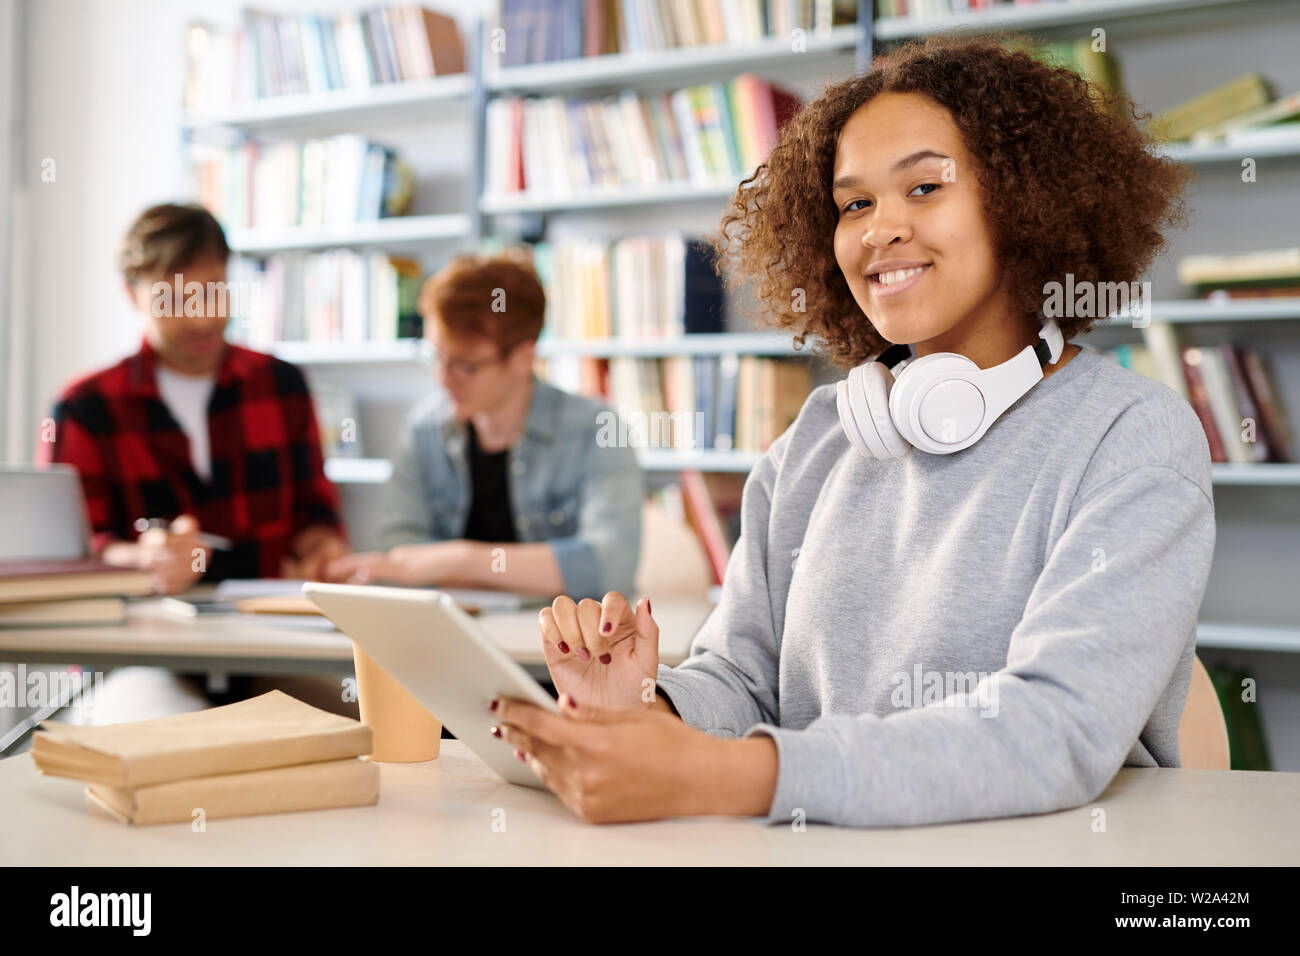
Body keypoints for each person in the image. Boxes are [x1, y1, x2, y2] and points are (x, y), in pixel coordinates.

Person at [489, 34, 1216, 827]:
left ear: (1024, 204)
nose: (878, 231)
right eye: (854, 204)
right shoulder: (820, 438)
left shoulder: (1132, 437)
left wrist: (743, 777)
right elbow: (742, 679)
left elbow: (1054, 731)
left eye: (925, 188)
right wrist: (645, 706)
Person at [39, 202, 352, 721]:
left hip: (271, 647)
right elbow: (69, 557)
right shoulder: (85, 407)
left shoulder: (282, 386)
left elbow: (314, 514)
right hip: (137, 657)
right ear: (132, 292)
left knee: (363, 730)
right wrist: (144, 560)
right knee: (158, 738)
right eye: (179, 298)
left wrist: (323, 548)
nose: (203, 316)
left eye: (215, 291)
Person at [326, 250, 643, 601]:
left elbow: (606, 567)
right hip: (447, 638)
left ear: (524, 358)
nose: (443, 378)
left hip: (563, 648)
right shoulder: (424, 429)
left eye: (466, 365)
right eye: (437, 356)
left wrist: (459, 561)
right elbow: (394, 558)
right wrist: (539, 573)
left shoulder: (597, 430)